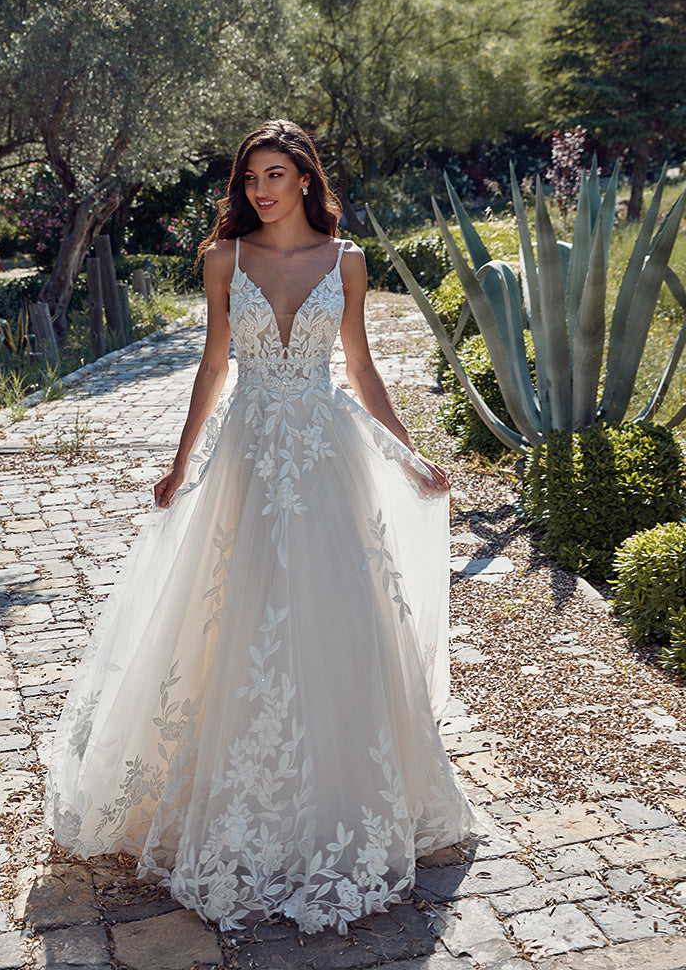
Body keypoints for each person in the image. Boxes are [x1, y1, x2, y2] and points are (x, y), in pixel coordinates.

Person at [45, 119, 474, 936]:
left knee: (339, 617)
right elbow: (213, 365)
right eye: (251, 179)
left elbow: (361, 367)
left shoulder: (345, 260)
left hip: (325, 453)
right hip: (246, 452)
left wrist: (411, 456)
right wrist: (180, 463)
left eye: (276, 175)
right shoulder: (223, 260)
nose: (261, 190)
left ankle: (340, 795)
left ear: (306, 179)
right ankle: (230, 799)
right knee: (231, 616)